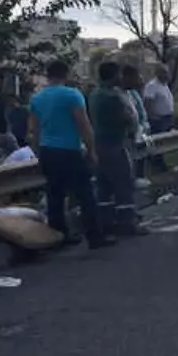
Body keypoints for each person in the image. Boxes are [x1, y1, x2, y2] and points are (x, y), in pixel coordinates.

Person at [28, 60, 113, 248]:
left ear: (48, 76)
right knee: (85, 194)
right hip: (69, 150)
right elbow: (84, 125)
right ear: (65, 74)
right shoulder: (72, 95)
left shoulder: (37, 98)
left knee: (55, 195)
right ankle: (94, 235)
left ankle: (59, 235)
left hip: (48, 150)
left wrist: (38, 152)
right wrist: (91, 150)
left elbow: (34, 130)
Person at [88, 61, 144, 235]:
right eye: (119, 74)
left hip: (99, 144)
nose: (122, 77)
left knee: (104, 186)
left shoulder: (95, 94)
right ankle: (127, 223)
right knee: (123, 184)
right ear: (113, 76)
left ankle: (107, 222)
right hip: (115, 144)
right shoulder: (113, 97)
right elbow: (126, 119)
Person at [121, 64, 151, 182]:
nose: (140, 81)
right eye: (137, 78)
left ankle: (137, 178)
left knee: (139, 156)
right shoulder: (119, 94)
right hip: (126, 134)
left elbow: (140, 111)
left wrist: (144, 126)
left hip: (139, 130)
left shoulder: (133, 93)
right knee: (129, 161)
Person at [143, 64, 175, 135]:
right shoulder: (152, 86)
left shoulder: (165, 86)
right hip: (159, 120)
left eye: (167, 72)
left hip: (168, 119)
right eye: (164, 72)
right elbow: (147, 103)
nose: (167, 75)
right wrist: (153, 117)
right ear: (158, 73)